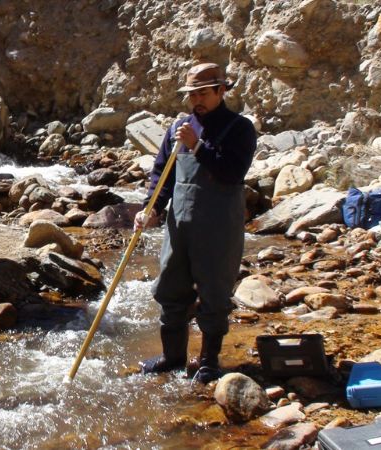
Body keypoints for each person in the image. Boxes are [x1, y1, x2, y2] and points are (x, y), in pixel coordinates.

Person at [134, 62, 257, 384]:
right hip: (180, 226)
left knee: (215, 294)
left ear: (221, 91)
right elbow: (162, 174)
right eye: (191, 95)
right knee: (171, 290)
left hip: (219, 228)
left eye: (203, 93)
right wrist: (151, 209)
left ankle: (209, 362)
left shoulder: (239, 128)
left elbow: (233, 172)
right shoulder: (180, 128)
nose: (196, 101)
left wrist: (198, 146)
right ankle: (172, 357)